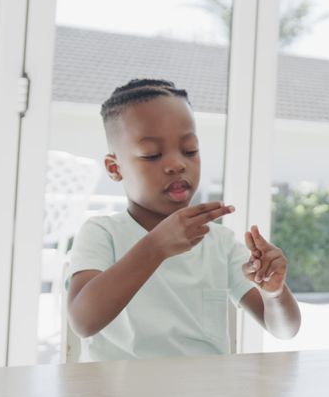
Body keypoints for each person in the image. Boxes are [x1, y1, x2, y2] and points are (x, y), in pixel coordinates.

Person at [67, 79, 301, 361]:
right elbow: (82, 322)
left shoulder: (221, 242)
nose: (177, 164)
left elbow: (285, 329)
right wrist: (155, 247)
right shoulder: (102, 233)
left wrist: (274, 292)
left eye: (190, 150)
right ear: (115, 168)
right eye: (152, 155)